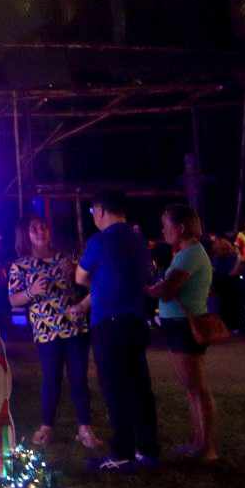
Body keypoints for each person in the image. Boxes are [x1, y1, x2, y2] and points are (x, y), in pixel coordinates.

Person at [74, 191, 160, 472]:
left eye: (92, 212)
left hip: (108, 323)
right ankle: (147, 450)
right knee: (139, 386)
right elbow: (147, 274)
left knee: (114, 388)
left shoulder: (100, 241)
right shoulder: (137, 239)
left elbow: (80, 276)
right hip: (136, 320)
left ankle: (121, 452)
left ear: (100, 210)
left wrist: (98, 281)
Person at [7, 216, 102, 449]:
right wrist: (31, 292)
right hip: (46, 331)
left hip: (74, 326)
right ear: (26, 235)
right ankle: (47, 426)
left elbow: (87, 285)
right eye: (34, 228)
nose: (40, 231)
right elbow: (13, 299)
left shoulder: (65, 259)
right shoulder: (21, 265)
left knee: (79, 377)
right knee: (51, 378)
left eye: (43, 226)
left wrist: (75, 277)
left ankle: (85, 428)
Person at [145, 204, 219, 462]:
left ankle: (206, 447)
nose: (163, 231)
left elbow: (168, 288)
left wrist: (146, 288)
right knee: (192, 388)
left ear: (181, 228)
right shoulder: (188, 253)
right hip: (179, 325)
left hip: (183, 327)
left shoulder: (190, 255)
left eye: (166, 225)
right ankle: (198, 442)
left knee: (196, 388)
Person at [209, 232, 245, 335]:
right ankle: (234, 326)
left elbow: (223, 271)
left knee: (227, 307)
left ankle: (231, 326)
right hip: (228, 283)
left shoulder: (224, 257)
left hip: (227, 284)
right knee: (231, 306)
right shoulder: (231, 256)